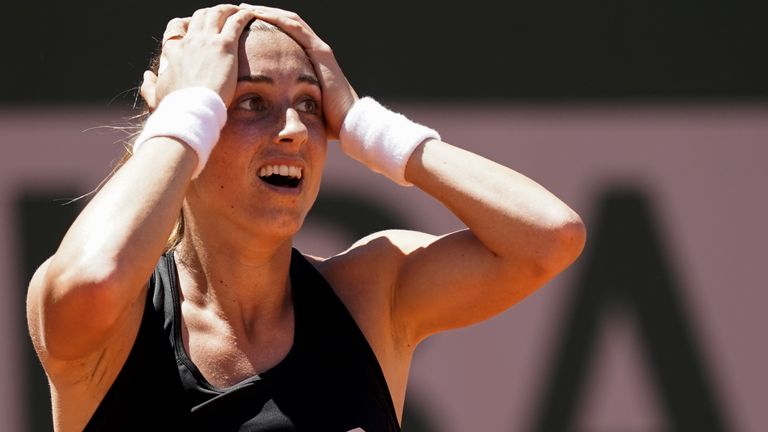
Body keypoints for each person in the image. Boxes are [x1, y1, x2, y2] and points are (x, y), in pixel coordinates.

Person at [26, 4, 586, 431]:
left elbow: (549, 238)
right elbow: (92, 280)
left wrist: (368, 124)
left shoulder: (370, 295)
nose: (293, 129)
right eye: (249, 102)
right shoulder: (118, 323)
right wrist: (184, 110)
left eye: (311, 105)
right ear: (191, 126)